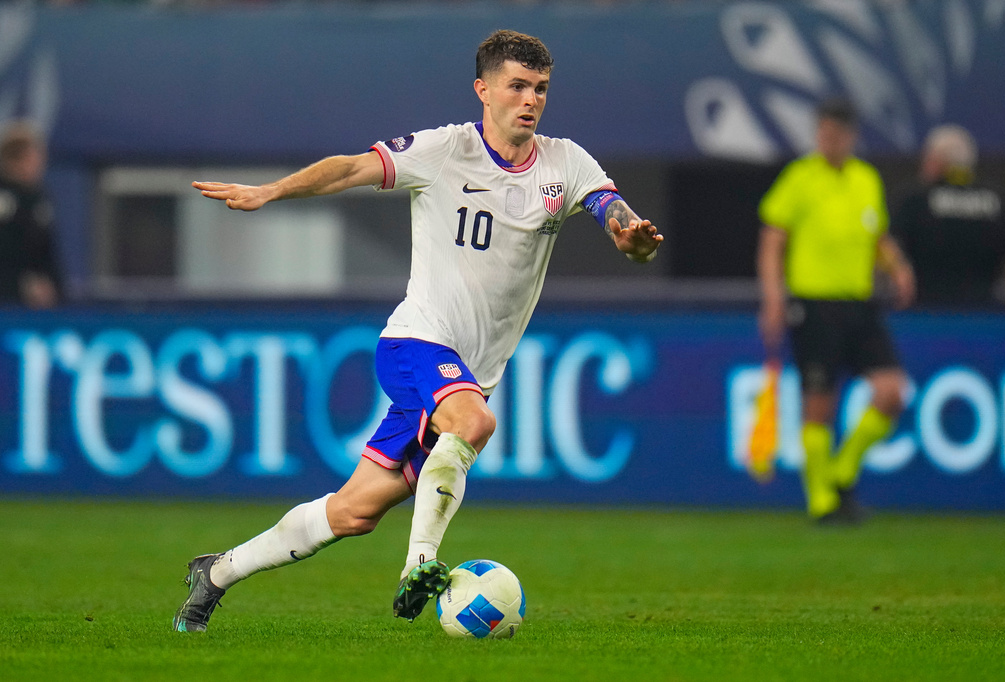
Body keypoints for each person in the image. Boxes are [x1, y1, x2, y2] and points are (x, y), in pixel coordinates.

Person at [173, 29, 662, 632]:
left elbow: (616, 216)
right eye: (517, 86)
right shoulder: (444, 150)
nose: (530, 100)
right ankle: (419, 563)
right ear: (483, 90)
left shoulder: (566, 162)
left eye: (540, 89)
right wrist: (272, 190)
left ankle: (216, 572)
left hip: (469, 374)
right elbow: (352, 168)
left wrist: (633, 238)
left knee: (353, 513)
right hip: (417, 342)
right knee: (474, 423)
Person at [756, 97, 915, 524]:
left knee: (892, 391)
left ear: (851, 137)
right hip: (814, 304)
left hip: (860, 304)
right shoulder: (800, 177)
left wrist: (898, 268)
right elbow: (772, 242)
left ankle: (842, 472)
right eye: (823, 134)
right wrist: (773, 298)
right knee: (819, 404)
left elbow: (877, 236)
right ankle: (821, 501)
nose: (829, 141)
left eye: (837, 135)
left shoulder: (866, 178)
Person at [891, 124, 1005, 311]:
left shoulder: (916, 200)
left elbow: (892, 249)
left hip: (925, 312)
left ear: (937, 161)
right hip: (986, 313)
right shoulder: (998, 201)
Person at [0, 120, 62, 308]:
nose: (40, 164)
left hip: (37, 306)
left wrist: (53, 287)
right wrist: (19, 286)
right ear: (16, 160)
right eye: (34, 157)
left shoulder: (39, 200)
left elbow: (47, 254)